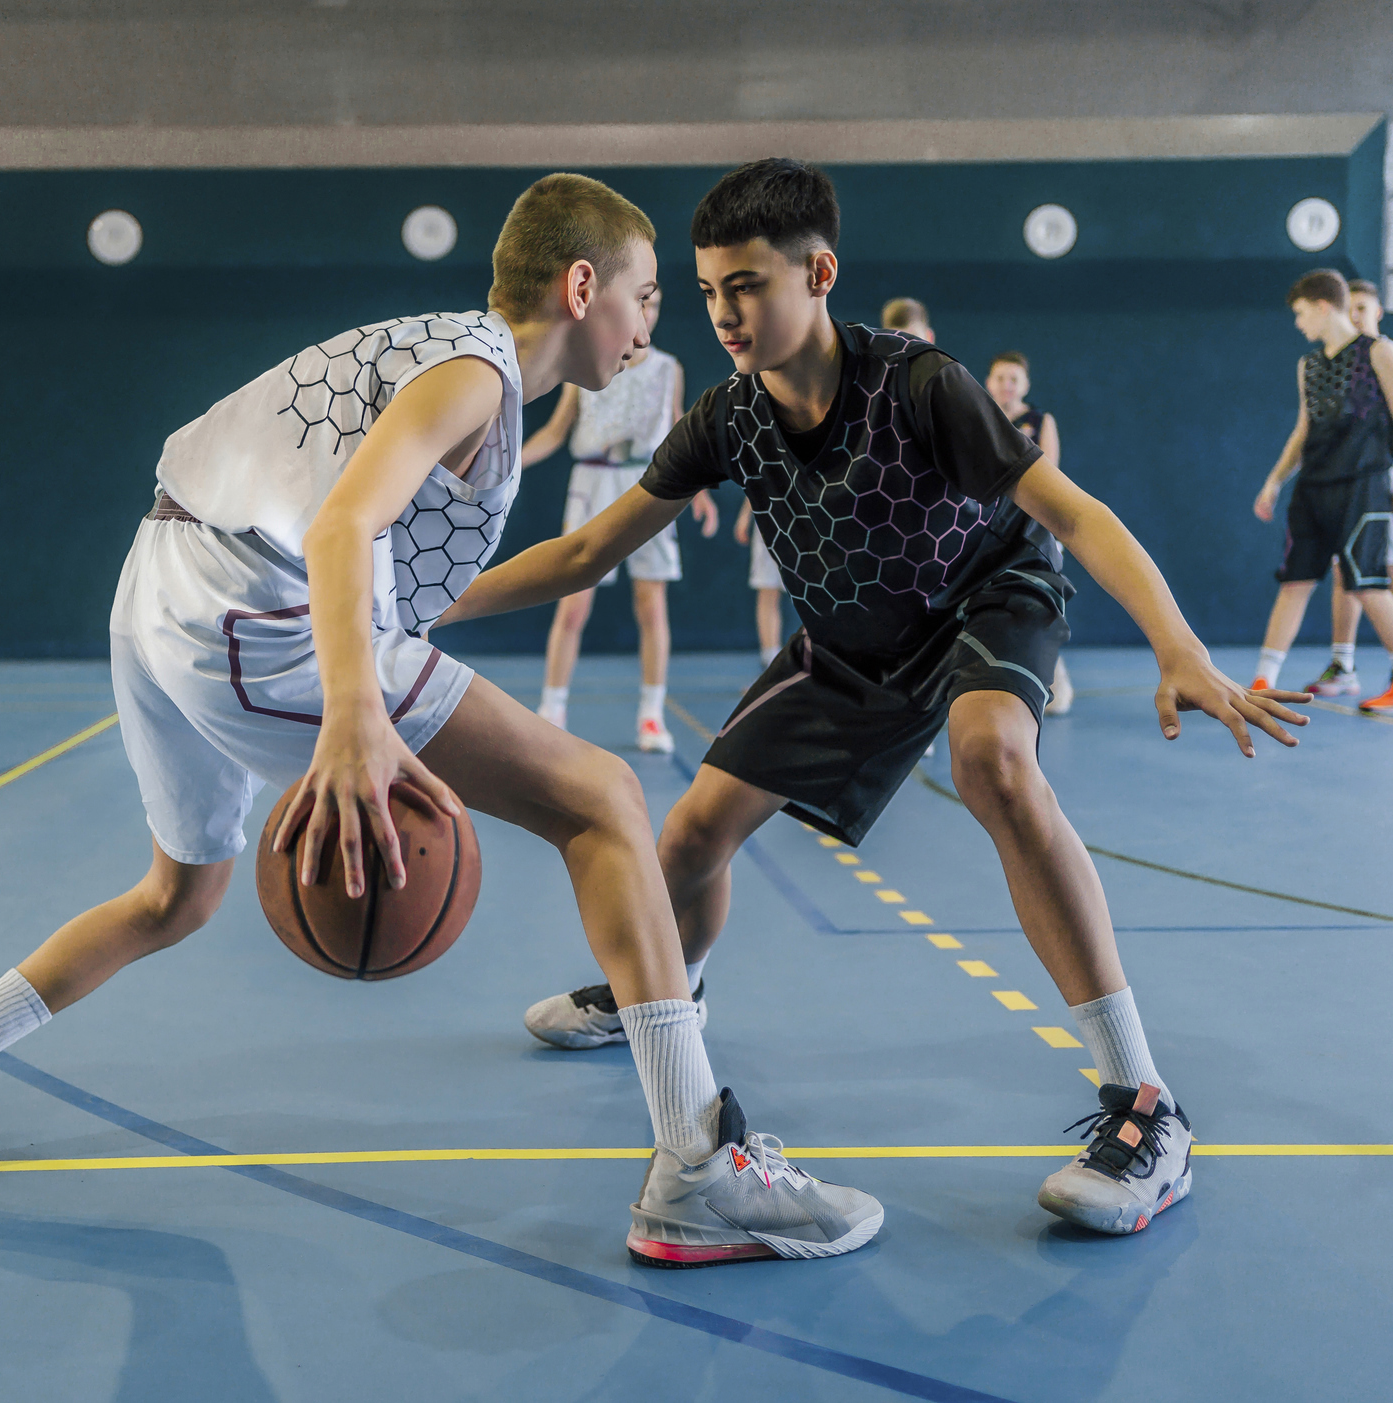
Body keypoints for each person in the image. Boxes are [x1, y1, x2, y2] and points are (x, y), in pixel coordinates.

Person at [0, 173, 882, 1270]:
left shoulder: (454, 358)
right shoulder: (477, 371)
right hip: (251, 608)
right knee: (600, 796)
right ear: (581, 285)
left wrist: (384, 658)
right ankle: (701, 1168)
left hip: (165, 584)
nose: (655, 325)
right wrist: (355, 714)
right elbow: (340, 530)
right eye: (648, 295)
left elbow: (388, 553)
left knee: (176, 895)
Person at [438, 159, 1311, 1236]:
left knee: (994, 759)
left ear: (820, 272)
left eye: (747, 286)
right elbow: (584, 550)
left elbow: (1072, 511)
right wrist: (424, 604)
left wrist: (1178, 642)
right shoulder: (729, 417)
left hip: (984, 598)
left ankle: (1147, 1107)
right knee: (691, 836)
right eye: (710, 291)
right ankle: (660, 993)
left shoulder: (918, 384)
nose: (725, 313)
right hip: (852, 642)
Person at [523, 288, 717, 753]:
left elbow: (677, 432)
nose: (646, 312)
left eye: (654, 305)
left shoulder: (669, 368)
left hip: (650, 486)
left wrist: (701, 489)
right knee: (572, 605)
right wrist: (508, 466)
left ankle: (651, 716)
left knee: (651, 607)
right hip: (592, 485)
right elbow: (555, 431)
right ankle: (552, 708)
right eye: (640, 302)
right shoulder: (587, 365)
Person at [1249, 268, 1393, 715]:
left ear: (1322, 305)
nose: (1298, 323)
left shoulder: (1381, 353)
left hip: (1363, 485)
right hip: (1314, 487)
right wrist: (1275, 480)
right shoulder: (1308, 365)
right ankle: (1262, 681)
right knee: (1294, 582)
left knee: (1368, 583)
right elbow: (1303, 430)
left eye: (1300, 313)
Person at [1304, 279, 1393, 696]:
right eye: (1351, 308)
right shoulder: (1340, 362)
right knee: (1345, 568)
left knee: (1387, 569)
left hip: (1387, 483)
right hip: (1352, 485)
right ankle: (1343, 665)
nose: (1356, 315)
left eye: (1364, 308)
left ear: (1378, 312)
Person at [986, 351, 1075, 716]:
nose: (1006, 385)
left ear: (1025, 385)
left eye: (1014, 379)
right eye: (1000, 378)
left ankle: (1057, 685)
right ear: (989, 381)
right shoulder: (978, 414)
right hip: (986, 527)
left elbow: (1050, 475)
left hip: (1031, 528)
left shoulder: (1039, 420)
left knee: (1037, 603)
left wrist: (1053, 526)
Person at [733, 501, 785, 666]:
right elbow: (759, 475)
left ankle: (820, 670)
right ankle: (772, 667)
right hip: (770, 516)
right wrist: (745, 514)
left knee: (819, 594)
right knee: (768, 590)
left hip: (813, 515)